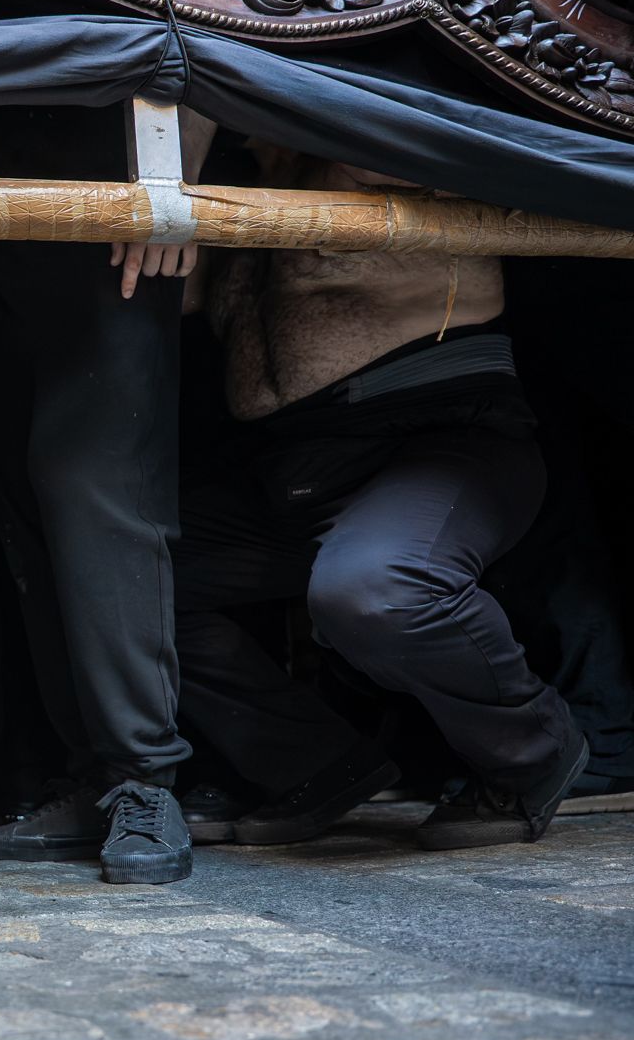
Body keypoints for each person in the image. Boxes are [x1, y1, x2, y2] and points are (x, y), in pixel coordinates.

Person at [174, 149, 587, 849]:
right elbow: (180, 293)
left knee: (380, 588)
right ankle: (319, 763)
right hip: (292, 466)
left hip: (438, 436)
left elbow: (461, 152)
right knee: (122, 584)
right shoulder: (240, 159)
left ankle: (532, 753)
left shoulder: (376, 119)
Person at [0, 105, 206, 885]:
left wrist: (169, 182)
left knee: (98, 493)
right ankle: (95, 779)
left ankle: (145, 781)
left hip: (110, 189)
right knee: (23, 502)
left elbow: (193, 17)